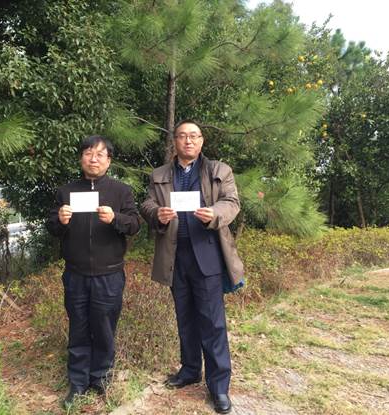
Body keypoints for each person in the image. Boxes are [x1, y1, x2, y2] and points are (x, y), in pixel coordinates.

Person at [140, 120, 244, 414]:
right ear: (175, 141)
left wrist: (214, 213)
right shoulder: (160, 174)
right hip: (175, 256)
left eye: (194, 136)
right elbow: (146, 204)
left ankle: (219, 386)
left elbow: (232, 202)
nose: (188, 141)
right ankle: (189, 370)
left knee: (212, 322)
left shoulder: (218, 170)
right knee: (184, 317)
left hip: (207, 255)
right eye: (183, 136)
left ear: (202, 141)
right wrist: (157, 214)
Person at [49, 135, 140, 406]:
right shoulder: (66, 191)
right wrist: (60, 220)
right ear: (81, 158)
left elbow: (134, 224)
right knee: (78, 326)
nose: (94, 159)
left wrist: (115, 218)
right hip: (75, 273)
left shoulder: (121, 191)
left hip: (109, 274)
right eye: (88, 153)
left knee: (104, 327)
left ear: (108, 161)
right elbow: (52, 227)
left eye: (100, 154)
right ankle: (77, 382)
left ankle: (101, 378)